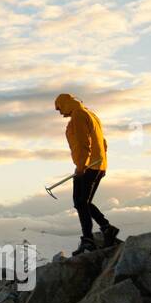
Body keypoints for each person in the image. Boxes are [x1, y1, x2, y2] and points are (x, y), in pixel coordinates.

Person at [54, 93, 120, 255]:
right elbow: (103, 142)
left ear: (66, 104)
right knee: (85, 201)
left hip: (88, 166)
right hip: (99, 165)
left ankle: (88, 240)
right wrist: (99, 159)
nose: (60, 112)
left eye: (60, 108)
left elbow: (83, 143)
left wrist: (81, 166)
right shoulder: (91, 114)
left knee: (80, 201)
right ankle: (107, 229)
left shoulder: (78, 116)